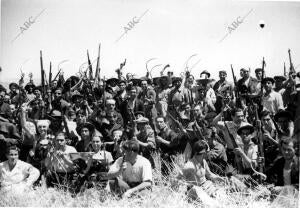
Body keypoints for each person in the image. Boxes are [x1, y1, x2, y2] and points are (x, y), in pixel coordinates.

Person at [178, 140, 225, 205]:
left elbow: (209, 174)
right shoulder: (189, 165)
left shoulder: (204, 161)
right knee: (210, 203)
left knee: (221, 196)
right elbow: (177, 180)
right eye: (201, 153)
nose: (204, 154)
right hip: (196, 190)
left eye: (205, 152)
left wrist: (219, 178)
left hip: (206, 186)